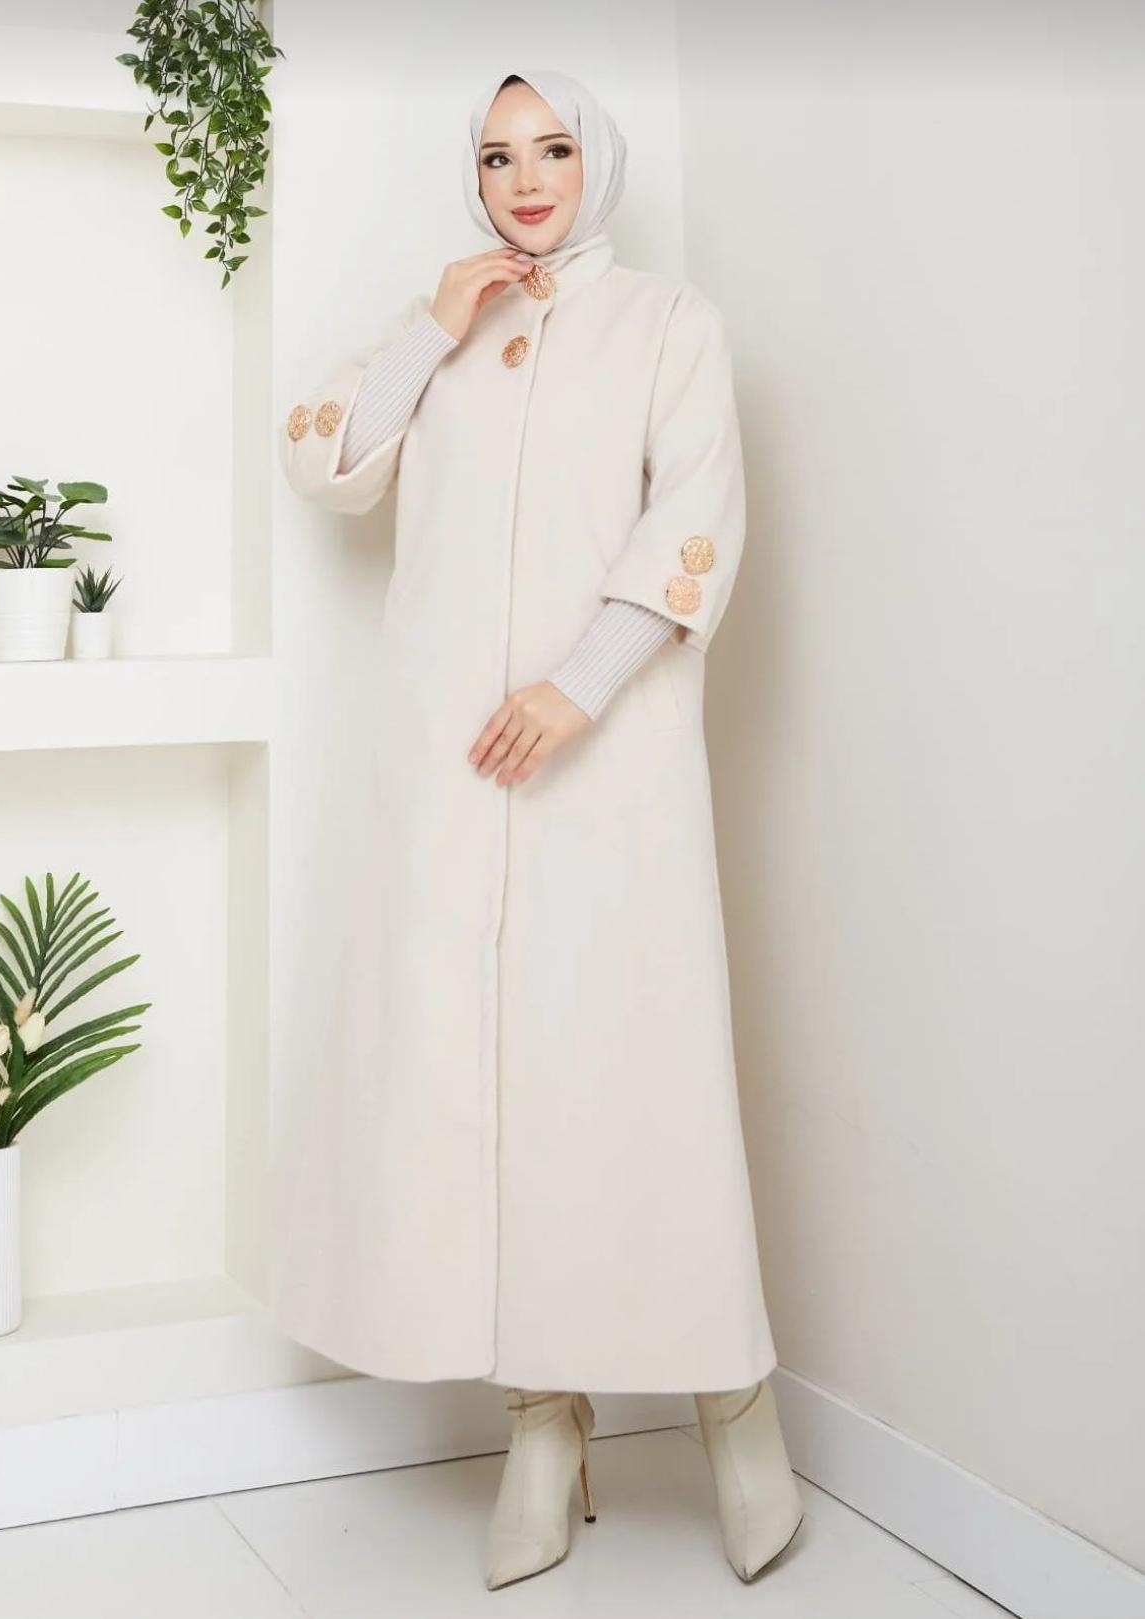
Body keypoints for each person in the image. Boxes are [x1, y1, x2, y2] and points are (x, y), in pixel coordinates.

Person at [271, 67, 805, 1590]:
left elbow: (695, 515)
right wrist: (432, 325)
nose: (526, 180)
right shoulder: (440, 327)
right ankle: (543, 1428)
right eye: (499, 156)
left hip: (608, 765)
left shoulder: (669, 326)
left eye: (554, 148)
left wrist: (582, 685)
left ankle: (735, 1408)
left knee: (639, 1077)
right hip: (450, 776)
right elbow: (324, 464)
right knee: (475, 1095)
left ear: (597, 162)